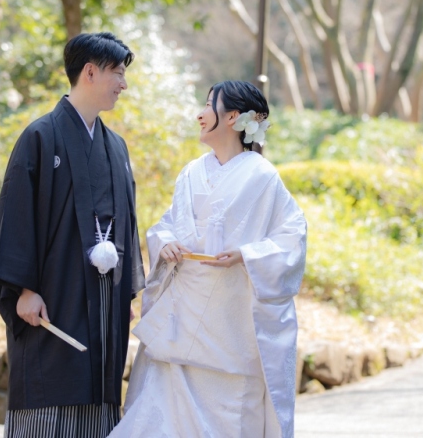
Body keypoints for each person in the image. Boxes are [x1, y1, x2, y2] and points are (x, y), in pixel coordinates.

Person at [111, 80, 307, 438]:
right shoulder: (191, 172)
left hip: (228, 325)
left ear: (233, 117)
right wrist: (165, 242)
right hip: (182, 317)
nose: (200, 114)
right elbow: (167, 224)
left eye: (209, 105)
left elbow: (292, 238)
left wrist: (248, 254)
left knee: (227, 418)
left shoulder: (262, 176)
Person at [0, 32, 145, 437]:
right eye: (118, 73)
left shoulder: (116, 147)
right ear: (90, 72)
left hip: (104, 297)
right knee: (51, 393)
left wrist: (124, 291)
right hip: (53, 294)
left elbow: (127, 222)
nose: (123, 84)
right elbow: (16, 214)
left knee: (98, 397)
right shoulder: (40, 137)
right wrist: (22, 289)